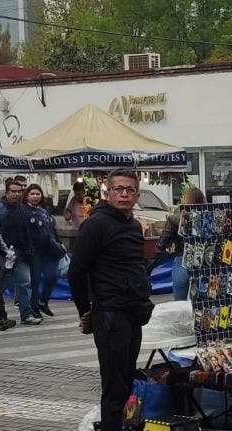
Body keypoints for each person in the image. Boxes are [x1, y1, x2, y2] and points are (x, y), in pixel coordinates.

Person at [69, 169, 155, 431]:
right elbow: (76, 271)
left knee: (126, 382)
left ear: (137, 194)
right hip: (110, 314)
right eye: (119, 189)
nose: (125, 194)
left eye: (130, 190)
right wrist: (85, 310)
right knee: (114, 389)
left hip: (132, 313)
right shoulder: (96, 224)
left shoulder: (132, 224)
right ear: (108, 192)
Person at [0, 180, 41, 325]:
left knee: (24, 282)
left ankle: (26, 314)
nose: (17, 194)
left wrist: (27, 249)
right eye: (14, 191)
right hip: (2, 253)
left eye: (19, 191)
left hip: (20, 253)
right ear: (7, 192)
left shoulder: (23, 209)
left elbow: (28, 232)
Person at [157, 186, 206, 300]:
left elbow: (162, 244)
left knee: (180, 302)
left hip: (182, 260)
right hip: (203, 262)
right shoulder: (208, 217)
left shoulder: (175, 219)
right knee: (202, 303)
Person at [25, 184, 63, 317]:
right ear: (27, 196)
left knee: (52, 276)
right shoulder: (24, 211)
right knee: (35, 280)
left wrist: (59, 243)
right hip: (35, 250)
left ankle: (43, 301)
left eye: (37, 194)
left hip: (50, 249)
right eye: (32, 194)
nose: (35, 196)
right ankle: (34, 308)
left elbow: (52, 230)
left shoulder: (44, 211)